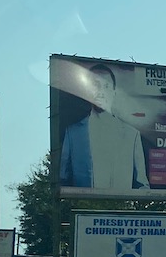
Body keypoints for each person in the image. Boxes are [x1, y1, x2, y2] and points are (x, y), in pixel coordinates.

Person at [59, 63, 147, 191]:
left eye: (106, 86)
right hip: (84, 207)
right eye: (96, 85)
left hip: (121, 208)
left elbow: (142, 185)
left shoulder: (131, 135)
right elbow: (63, 181)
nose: (101, 92)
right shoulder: (73, 133)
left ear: (114, 91)